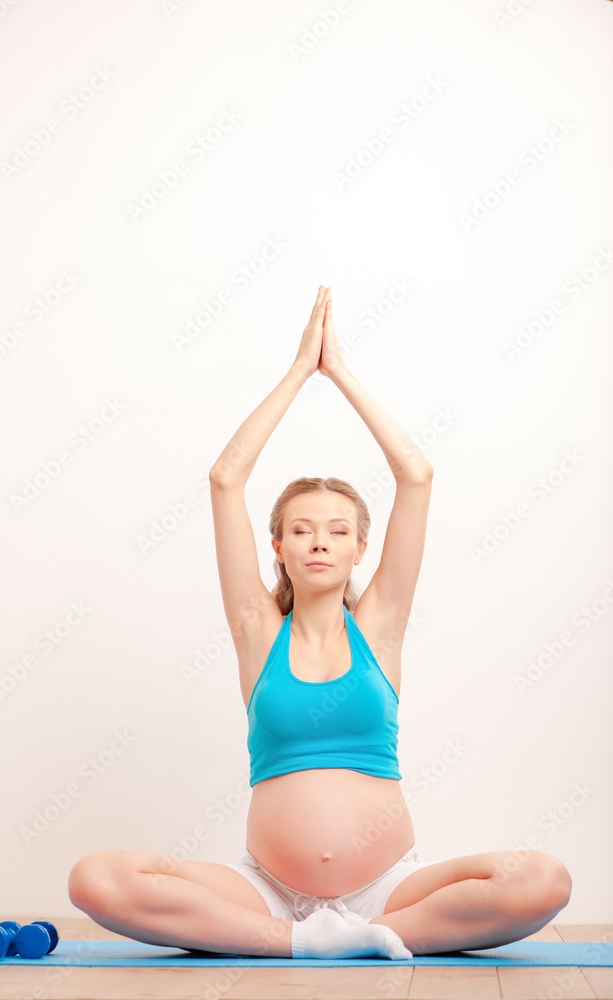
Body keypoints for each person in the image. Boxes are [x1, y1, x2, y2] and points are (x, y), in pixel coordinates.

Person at [67, 285, 572, 959]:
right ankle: (305, 941)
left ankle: (365, 934)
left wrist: (340, 373)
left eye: (337, 531)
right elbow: (224, 479)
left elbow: (416, 475)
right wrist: (298, 371)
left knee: (541, 879)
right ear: (277, 545)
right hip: (268, 891)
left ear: (361, 548)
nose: (319, 542)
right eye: (301, 529)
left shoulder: (380, 628)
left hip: (388, 887)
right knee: (96, 879)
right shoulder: (257, 632)